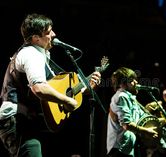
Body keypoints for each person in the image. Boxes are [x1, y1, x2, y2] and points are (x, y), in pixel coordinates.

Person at [0, 13, 101, 157]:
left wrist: (85, 87)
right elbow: (39, 88)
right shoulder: (31, 54)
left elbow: (57, 90)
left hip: (31, 122)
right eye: (48, 32)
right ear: (36, 38)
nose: (54, 34)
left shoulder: (41, 55)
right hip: (19, 122)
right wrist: (67, 101)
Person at [106, 67, 166, 157]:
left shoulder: (131, 100)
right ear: (122, 84)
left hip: (126, 150)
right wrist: (147, 131)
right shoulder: (122, 96)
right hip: (119, 150)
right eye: (132, 80)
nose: (136, 83)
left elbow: (146, 122)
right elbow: (127, 124)